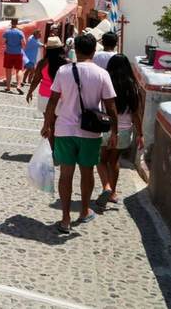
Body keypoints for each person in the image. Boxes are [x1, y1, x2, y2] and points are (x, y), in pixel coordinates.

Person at [41, 33, 118, 234]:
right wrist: (115, 132)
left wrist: (47, 124)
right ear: (94, 50)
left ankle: (65, 219)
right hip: (90, 132)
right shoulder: (102, 74)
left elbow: (52, 100)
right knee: (87, 172)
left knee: (66, 174)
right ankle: (84, 211)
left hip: (64, 129)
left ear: (75, 49)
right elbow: (111, 107)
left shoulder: (64, 71)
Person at [96, 54, 144, 206]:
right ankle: (113, 192)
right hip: (124, 131)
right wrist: (140, 134)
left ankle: (106, 187)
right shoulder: (133, 87)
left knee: (101, 160)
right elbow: (136, 114)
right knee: (114, 161)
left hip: (105, 127)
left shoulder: (105, 83)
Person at [2, 18, 27, 93]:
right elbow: (24, 43)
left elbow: (3, 42)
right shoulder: (20, 33)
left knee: (8, 70)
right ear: (17, 23)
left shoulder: (7, 32)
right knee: (19, 69)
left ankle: (8, 87)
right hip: (18, 53)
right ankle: (18, 85)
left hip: (8, 53)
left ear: (11, 22)